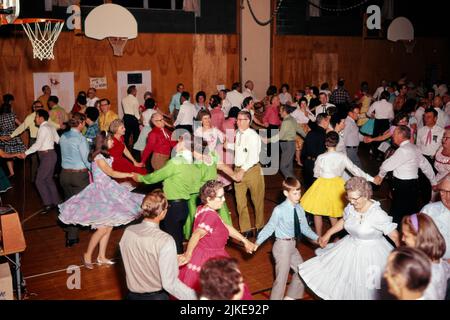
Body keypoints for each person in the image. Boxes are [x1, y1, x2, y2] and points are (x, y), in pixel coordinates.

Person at [299, 177, 400, 300]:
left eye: (355, 199)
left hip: (372, 257)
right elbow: (344, 220)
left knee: (370, 290)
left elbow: (395, 236)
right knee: (346, 286)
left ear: (366, 195)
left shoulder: (377, 215)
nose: (351, 202)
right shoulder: (350, 208)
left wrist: (405, 257)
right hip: (349, 249)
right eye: (349, 198)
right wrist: (328, 233)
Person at [59, 132, 144, 268]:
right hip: (100, 192)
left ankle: (101, 256)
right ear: (103, 142)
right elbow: (111, 173)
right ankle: (88, 254)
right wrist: (130, 174)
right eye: (110, 140)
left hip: (109, 189)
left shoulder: (104, 155)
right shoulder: (98, 157)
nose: (112, 142)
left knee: (109, 226)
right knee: (102, 228)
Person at [178, 180, 256, 299]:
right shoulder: (210, 216)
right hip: (211, 258)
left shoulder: (203, 209)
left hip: (201, 253)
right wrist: (188, 254)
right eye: (220, 197)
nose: (224, 200)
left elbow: (226, 226)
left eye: (223, 195)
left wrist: (245, 241)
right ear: (209, 199)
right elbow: (197, 234)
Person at [119, 190, 197, 300]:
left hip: (131, 296)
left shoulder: (128, 231)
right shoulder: (165, 240)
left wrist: (171, 260)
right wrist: (198, 297)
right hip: (156, 297)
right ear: (162, 213)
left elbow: (136, 258)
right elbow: (170, 284)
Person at [255, 178, 319, 300]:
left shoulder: (299, 209)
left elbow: (304, 228)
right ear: (286, 193)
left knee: (302, 271)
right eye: (294, 193)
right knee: (281, 280)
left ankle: (290, 298)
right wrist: (257, 242)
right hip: (281, 246)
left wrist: (318, 238)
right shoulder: (279, 210)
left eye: (299, 193)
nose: (298, 196)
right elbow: (269, 227)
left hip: (292, 245)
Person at [133, 138, 200, 253]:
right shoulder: (192, 165)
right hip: (184, 207)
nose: (177, 144)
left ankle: (174, 265)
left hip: (172, 207)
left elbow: (157, 175)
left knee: (172, 239)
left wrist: (140, 178)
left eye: (180, 142)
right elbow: (195, 187)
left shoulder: (176, 162)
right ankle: (179, 263)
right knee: (177, 237)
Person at [301, 131, 374, 236]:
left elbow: (316, 173)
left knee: (317, 213)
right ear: (337, 142)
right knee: (333, 213)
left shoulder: (321, 157)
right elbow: (355, 170)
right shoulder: (342, 156)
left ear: (326, 143)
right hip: (336, 185)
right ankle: (336, 238)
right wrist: (370, 178)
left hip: (321, 184)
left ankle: (319, 237)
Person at [373, 126, 436, 225]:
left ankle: (391, 237)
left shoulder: (403, 150)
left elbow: (386, 166)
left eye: (395, 133)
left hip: (402, 186)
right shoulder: (415, 148)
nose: (392, 135)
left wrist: (380, 176)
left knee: (396, 213)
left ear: (400, 135)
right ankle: (415, 233)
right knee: (412, 211)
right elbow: (426, 166)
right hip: (414, 185)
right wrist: (433, 181)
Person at [231, 110, 265, 238]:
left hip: (251, 170)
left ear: (248, 121)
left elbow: (253, 157)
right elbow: (239, 148)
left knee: (257, 200)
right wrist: (228, 145)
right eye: (237, 119)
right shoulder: (238, 133)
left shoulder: (253, 136)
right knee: (240, 202)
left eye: (241, 120)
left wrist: (242, 171)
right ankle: (246, 229)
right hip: (238, 170)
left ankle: (260, 226)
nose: (237, 122)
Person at [59, 112, 91, 247]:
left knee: (70, 204)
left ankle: (71, 231)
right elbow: (86, 159)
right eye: (84, 123)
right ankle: (74, 232)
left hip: (64, 175)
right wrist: (94, 170)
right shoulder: (81, 139)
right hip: (79, 176)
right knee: (81, 204)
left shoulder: (63, 136)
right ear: (81, 123)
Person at [20, 109, 61, 213]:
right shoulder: (50, 126)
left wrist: (25, 153)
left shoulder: (43, 128)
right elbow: (58, 140)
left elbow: (38, 144)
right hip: (51, 155)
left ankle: (48, 204)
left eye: (36, 117)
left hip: (47, 156)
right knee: (48, 179)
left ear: (41, 118)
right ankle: (56, 202)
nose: (35, 119)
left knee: (39, 180)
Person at [401, 213, 449, 299]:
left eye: (406, 235)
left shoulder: (422, 273)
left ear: (419, 238)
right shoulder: (438, 261)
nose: (402, 239)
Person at [7, 101, 59, 182]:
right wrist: (11, 136)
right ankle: (34, 180)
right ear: (34, 108)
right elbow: (22, 127)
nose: (40, 107)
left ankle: (43, 179)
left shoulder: (43, 116)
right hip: (34, 140)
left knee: (44, 161)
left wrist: (61, 126)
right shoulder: (30, 117)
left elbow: (52, 125)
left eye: (41, 106)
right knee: (34, 161)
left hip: (45, 141)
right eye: (38, 106)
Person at [417, 108, 444, 204]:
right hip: (422, 158)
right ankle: (424, 201)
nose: (426, 119)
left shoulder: (441, 131)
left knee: (432, 182)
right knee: (422, 181)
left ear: (435, 118)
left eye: (429, 117)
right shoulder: (421, 130)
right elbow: (418, 146)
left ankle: (431, 201)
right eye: (425, 117)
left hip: (434, 159)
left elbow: (442, 146)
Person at [300, 113, 329, 189]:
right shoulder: (324, 135)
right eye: (328, 121)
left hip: (307, 164)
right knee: (316, 189)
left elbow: (304, 150)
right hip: (318, 165)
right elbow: (323, 152)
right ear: (324, 121)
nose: (329, 123)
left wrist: (305, 161)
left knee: (308, 188)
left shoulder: (310, 133)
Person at [0, 102, 26, 177]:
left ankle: (12, 172)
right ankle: (19, 170)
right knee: (16, 153)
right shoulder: (12, 115)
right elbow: (21, 125)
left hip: (3, 136)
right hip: (13, 135)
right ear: (9, 108)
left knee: (7, 154)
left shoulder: (0, 117)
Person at [367, 91, 395, 160]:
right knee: (384, 138)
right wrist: (389, 120)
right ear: (388, 97)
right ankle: (381, 155)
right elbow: (392, 116)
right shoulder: (390, 105)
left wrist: (372, 116)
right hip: (385, 122)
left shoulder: (376, 103)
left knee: (375, 137)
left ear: (381, 96)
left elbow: (368, 113)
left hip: (377, 122)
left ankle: (374, 153)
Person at [121, 85, 141, 151]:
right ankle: (135, 150)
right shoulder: (134, 99)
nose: (136, 92)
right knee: (136, 135)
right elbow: (136, 111)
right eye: (136, 91)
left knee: (126, 135)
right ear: (133, 91)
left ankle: (125, 149)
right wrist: (139, 119)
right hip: (133, 118)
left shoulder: (123, 99)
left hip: (126, 118)